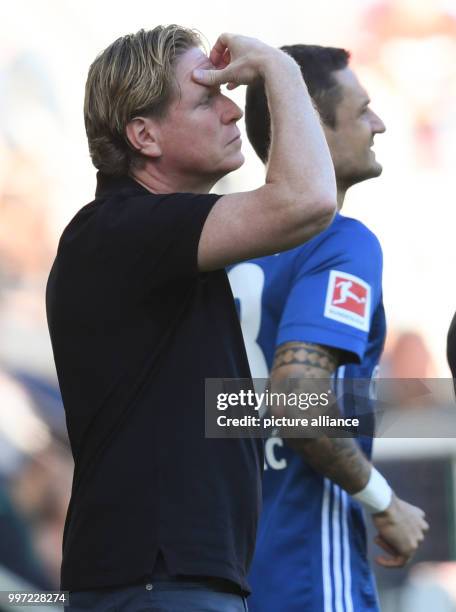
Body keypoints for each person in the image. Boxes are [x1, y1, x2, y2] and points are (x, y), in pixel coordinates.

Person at [45, 27, 336, 611]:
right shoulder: (118, 231)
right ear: (144, 135)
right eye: (208, 99)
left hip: (170, 580)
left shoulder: (158, 251)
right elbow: (307, 201)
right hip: (157, 582)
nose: (233, 110)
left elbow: (211, 410)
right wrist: (280, 67)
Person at [228, 44, 428, 612]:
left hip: (219, 577)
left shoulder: (216, 247)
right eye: (363, 110)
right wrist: (385, 501)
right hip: (307, 572)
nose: (379, 124)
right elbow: (295, 401)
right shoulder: (343, 242)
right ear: (309, 124)